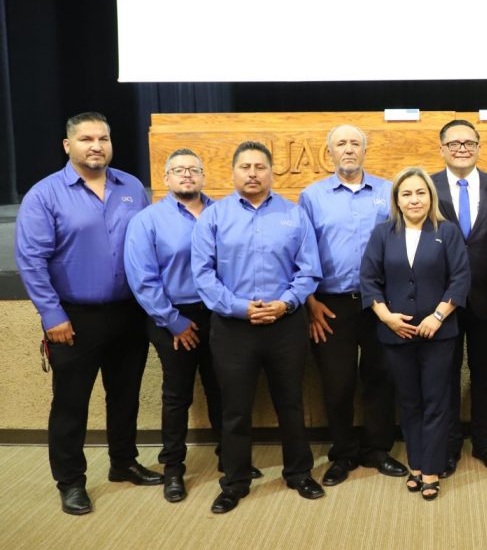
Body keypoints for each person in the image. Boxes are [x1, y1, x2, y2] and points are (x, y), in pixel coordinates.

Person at [15, 112, 161, 514]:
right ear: (68, 146)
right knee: (71, 404)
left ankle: (123, 462)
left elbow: (147, 245)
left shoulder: (131, 187)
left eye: (103, 138)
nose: (96, 146)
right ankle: (70, 481)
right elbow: (31, 260)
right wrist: (52, 315)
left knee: (125, 396)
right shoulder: (45, 195)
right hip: (73, 318)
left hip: (129, 313)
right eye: (86, 139)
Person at [191, 141, 324, 514]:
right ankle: (234, 482)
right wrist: (239, 308)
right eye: (245, 167)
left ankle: (298, 473)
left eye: (260, 167)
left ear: (271, 172)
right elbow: (203, 274)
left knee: (291, 403)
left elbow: (309, 270)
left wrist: (286, 303)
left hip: (285, 324)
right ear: (233, 172)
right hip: (233, 327)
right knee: (235, 408)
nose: (253, 173)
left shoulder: (294, 215)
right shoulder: (213, 218)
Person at [125, 148, 262, 503]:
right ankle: (173, 469)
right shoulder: (148, 221)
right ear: (166, 178)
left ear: (203, 176)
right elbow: (143, 280)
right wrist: (173, 322)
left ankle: (230, 459)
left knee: (223, 388)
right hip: (172, 316)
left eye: (193, 169)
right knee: (177, 395)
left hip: (220, 314)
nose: (186, 174)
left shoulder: (224, 213)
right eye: (178, 170)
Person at [299, 124, 407, 487]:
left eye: (355, 143)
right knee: (338, 382)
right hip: (330, 305)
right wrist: (310, 302)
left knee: (381, 378)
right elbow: (302, 252)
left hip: (380, 303)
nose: (348, 149)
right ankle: (343, 453)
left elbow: (402, 243)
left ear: (365, 150)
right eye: (341, 143)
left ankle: (377, 449)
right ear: (329, 152)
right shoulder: (312, 197)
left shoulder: (388, 191)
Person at [360, 167, 470, 501]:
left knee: (436, 401)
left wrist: (438, 316)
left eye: (420, 193)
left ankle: (432, 469)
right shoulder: (383, 233)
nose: (414, 200)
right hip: (397, 335)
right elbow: (369, 279)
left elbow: (461, 278)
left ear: (430, 196)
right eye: (406, 194)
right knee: (409, 402)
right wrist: (387, 318)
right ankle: (416, 465)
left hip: (439, 333)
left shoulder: (446, 231)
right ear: (396, 200)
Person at [431, 120, 487, 475]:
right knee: (444, 377)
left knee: (486, 374)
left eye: (468, 143)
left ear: (479, 147)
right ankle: (449, 446)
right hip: (441, 302)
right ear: (442, 149)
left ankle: (484, 443)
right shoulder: (427, 187)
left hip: (486, 299)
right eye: (454, 143)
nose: (461, 148)